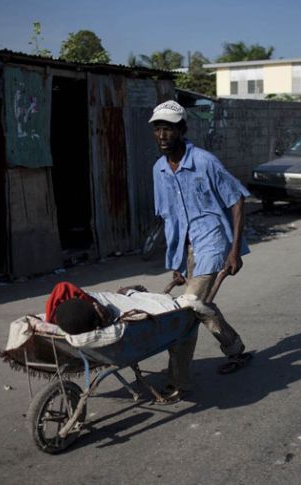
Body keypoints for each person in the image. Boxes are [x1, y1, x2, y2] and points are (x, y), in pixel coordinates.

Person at [148, 100, 252, 400]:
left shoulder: (205, 161)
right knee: (196, 305)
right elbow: (170, 217)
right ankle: (234, 348)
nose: (162, 135)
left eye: (168, 128)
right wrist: (177, 261)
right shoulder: (159, 170)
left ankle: (178, 382)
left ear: (182, 130)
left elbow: (236, 200)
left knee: (189, 306)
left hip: (214, 242)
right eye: (157, 129)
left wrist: (234, 251)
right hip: (189, 246)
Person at [49, 281, 244, 403]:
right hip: (157, 307)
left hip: (137, 301)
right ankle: (182, 382)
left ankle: (233, 348)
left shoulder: (79, 308)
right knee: (190, 322)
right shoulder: (115, 317)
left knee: (191, 308)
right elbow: (180, 305)